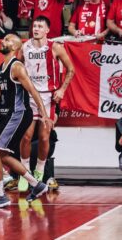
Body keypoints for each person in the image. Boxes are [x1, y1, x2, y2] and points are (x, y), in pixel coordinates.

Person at [0, 35, 51, 208]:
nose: (3, 42)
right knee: (1, 154)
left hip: (18, 114)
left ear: (15, 47)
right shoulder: (0, 67)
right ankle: (37, 184)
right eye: (3, 39)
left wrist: (44, 114)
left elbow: (34, 91)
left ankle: (0, 195)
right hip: (7, 114)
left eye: (7, 41)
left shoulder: (16, 67)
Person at [17, 16, 75, 192]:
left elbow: (71, 69)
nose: (36, 29)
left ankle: (39, 171)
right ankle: (24, 173)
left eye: (40, 26)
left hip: (48, 97)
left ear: (47, 30)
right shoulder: (24, 47)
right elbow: (16, 67)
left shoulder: (55, 47)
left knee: (44, 137)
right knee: (26, 137)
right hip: (28, 96)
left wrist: (62, 90)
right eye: (34, 26)